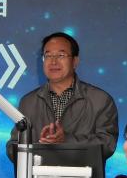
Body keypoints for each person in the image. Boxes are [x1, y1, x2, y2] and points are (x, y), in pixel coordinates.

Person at [8, 32, 118, 163]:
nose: (53, 61)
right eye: (48, 55)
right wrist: (39, 148)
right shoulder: (28, 102)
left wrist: (66, 141)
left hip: (83, 175)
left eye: (61, 55)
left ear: (75, 61)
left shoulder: (100, 100)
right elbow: (13, 146)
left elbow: (107, 145)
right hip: (39, 175)